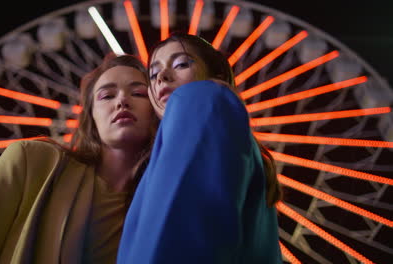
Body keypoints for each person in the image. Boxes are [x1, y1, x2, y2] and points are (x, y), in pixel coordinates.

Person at [0, 54, 158, 264]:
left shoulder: (165, 202)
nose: (122, 101)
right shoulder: (34, 163)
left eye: (138, 93)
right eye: (106, 95)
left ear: (158, 110)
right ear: (90, 116)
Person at [117, 33, 283, 263]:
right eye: (153, 74)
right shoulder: (235, 141)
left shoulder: (203, 97)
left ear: (217, 76)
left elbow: (179, 233)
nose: (162, 77)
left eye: (182, 64)